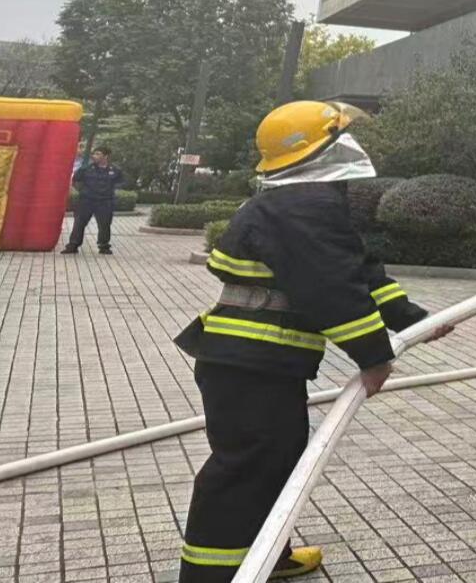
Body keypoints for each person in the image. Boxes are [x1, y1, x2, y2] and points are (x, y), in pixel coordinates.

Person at [171, 100, 449, 581]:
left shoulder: (302, 202)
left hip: (256, 363)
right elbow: (331, 291)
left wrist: (412, 319)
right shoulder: (302, 206)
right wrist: (374, 358)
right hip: (251, 365)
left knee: (274, 463)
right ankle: (210, 577)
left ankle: (266, 558)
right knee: (245, 471)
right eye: (339, 137)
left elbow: (358, 272)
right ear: (319, 149)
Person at [64, 146, 124, 254]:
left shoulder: (115, 170)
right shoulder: (86, 168)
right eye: (94, 154)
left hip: (105, 201)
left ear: (106, 156)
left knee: (104, 225)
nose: (94, 156)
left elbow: (121, 183)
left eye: (98, 154)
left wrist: (112, 191)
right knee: (79, 223)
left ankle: (104, 246)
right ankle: (73, 245)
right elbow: (76, 179)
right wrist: (82, 190)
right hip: (87, 200)